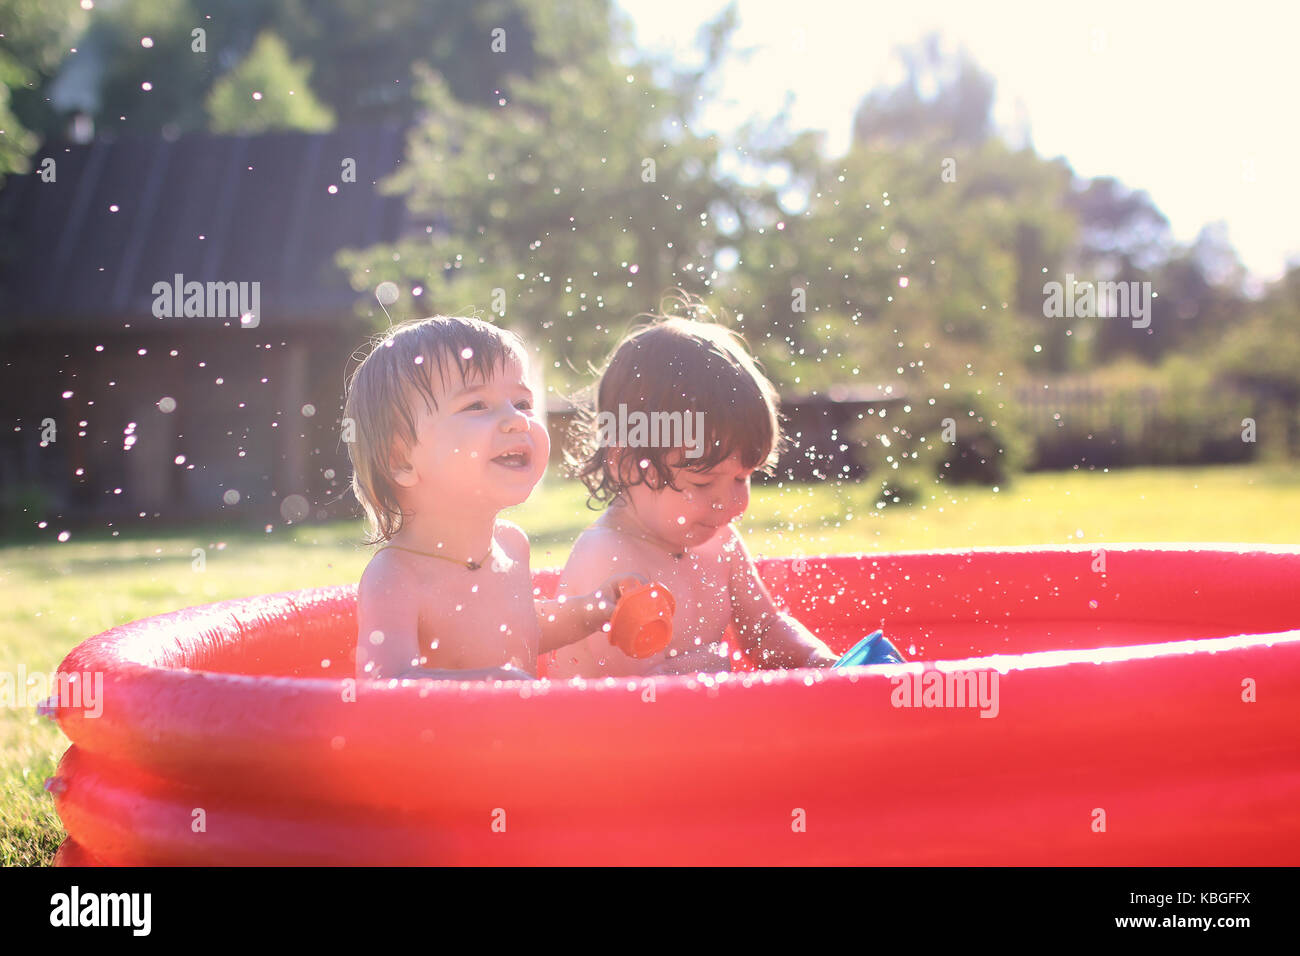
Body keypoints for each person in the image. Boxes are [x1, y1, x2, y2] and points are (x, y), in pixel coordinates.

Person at [345, 315, 641, 681]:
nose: (516, 420)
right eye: (477, 405)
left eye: (522, 402)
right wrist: (496, 685)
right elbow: (383, 684)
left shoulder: (511, 544)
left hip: (519, 735)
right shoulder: (396, 576)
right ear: (400, 460)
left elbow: (521, 630)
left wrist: (592, 610)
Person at [549, 305, 838, 678]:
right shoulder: (607, 558)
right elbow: (631, 694)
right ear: (628, 464)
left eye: (742, 478)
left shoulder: (720, 542)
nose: (731, 503)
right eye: (703, 483)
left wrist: (816, 659)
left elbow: (764, 630)